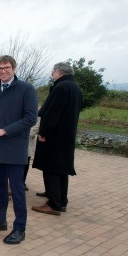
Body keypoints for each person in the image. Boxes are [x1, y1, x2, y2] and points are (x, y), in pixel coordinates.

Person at [0, 55, 37, 245]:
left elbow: (30, 118)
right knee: (0, 187)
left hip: (14, 147)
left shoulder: (26, 89)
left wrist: (4, 131)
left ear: (14, 68)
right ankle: (0, 220)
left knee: (18, 190)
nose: (3, 71)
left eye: (7, 67)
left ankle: (20, 228)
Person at [32, 62, 82, 215]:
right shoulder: (75, 88)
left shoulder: (61, 87)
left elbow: (52, 113)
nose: (52, 75)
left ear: (58, 72)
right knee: (61, 169)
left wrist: (44, 132)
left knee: (51, 168)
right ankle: (61, 200)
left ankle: (54, 204)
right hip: (66, 135)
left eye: (53, 72)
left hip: (54, 136)